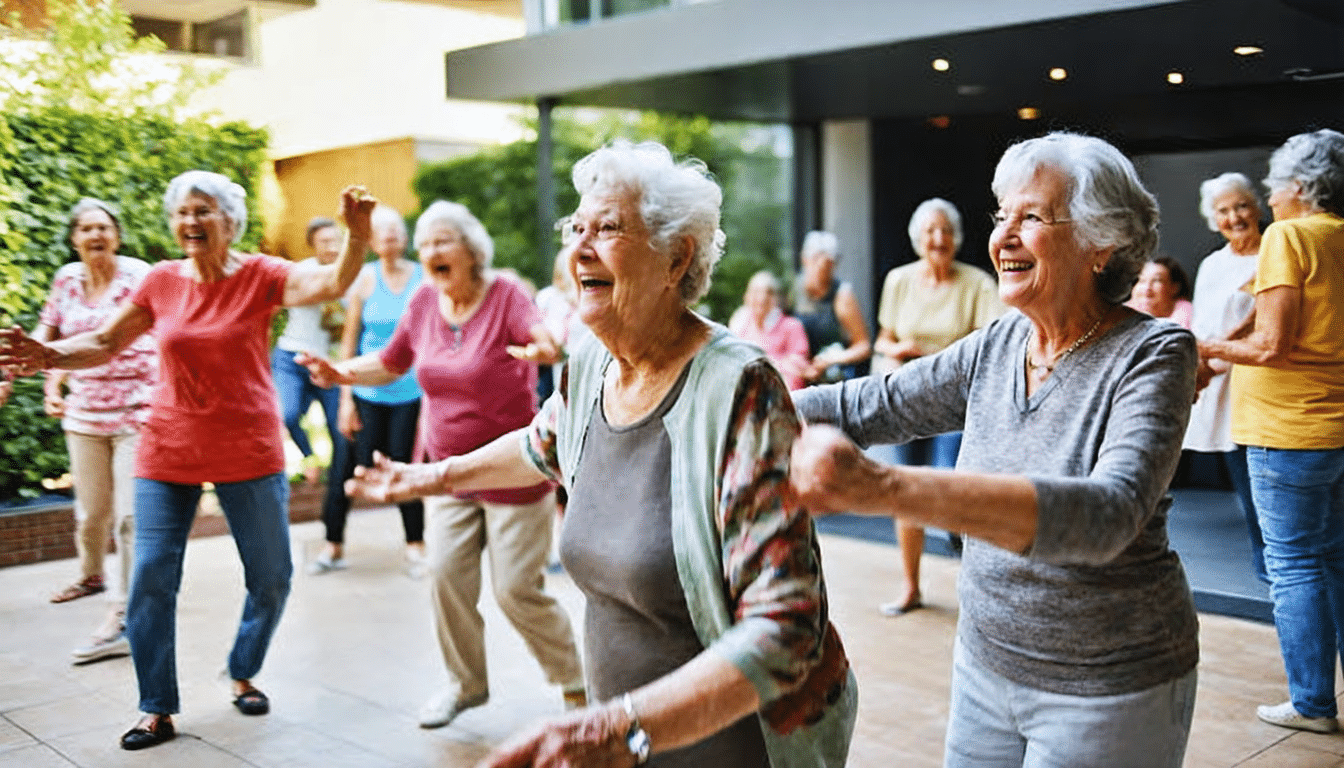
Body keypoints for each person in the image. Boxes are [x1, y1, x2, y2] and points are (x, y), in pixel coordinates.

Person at [346, 140, 856, 768]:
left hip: (723, 745)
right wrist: (429, 476)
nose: (580, 247)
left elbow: (786, 629)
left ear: (676, 258)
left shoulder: (740, 388)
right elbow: (542, 446)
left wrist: (616, 728)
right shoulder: (590, 364)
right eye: (576, 227)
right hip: (622, 743)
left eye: (608, 227)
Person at [789, 132, 1199, 768]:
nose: (1003, 236)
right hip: (984, 661)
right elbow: (873, 404)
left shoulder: (1154, 353)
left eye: (1030, 217)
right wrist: (735, 399)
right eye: (1000, 215)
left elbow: (1110, 514)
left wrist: (884, 489)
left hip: (1109, 684)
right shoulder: (1001, 342)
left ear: (1101, 242)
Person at [0, 171, 374, 751]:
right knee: (151, 572)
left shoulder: (260, 274)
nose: (190, 222)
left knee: (272, 576)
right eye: (182, 212)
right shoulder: (160, 281)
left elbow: (328, 283)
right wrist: (47, 355)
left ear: (230, 219)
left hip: (247, 444)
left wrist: (356, 236)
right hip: (167, 443)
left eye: (204, 211)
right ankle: (156, 706)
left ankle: (243, 669)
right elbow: (102, 342)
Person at [299, 199, 585, 729]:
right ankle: (466, 685)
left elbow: (540, 337)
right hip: (444, 470)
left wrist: (544, 348)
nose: (430, 251)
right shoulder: (424, 301)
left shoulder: (505, 294)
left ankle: (575, 683)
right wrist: (338, 373)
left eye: (442, 241)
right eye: (425, 243)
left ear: (472, 250)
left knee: (515, 590)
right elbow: (390, 362)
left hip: (512, 468)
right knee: (447, 578)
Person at [1197, 129, 1344, 735]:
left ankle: (1312, 703)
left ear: (1300, 188)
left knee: (1294, 565)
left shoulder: (1289, 236)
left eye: (1275, 186)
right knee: (1333, 559)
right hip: (1334, 424)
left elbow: (1273, 342)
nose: (1269, 197)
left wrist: (1200, 347)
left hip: (1288, 429)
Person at [34, 198, 157, 666]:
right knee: (91, 514)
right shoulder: (66, 279)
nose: (95, 235)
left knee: (128, 518)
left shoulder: (138, 275)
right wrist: (51, 383)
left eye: (103, 226)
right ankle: (91, 575)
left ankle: (121, 613)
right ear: (74, 238)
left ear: (117, 235)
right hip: (85, 413)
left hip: (137, 411)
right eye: (85, 228)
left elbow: (163, 330)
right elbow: (50, 333)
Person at [870, 197, 1003, 617]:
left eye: (945, 230)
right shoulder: (899, 281)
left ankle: (978, 586)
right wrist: (898, 348)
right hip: (906, 395)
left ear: (956, 237)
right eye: (930, 230)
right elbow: (881, 339)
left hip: (955, 399)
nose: (938, 238)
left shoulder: (977, 283)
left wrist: (943, 358)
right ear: (917, 238)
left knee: (953, 484)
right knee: (904, 490)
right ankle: (911, 587)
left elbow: (993, 342)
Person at [311, 204, 426, 575]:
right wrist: (345, 399)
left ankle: (415, 545)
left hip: (409, 393)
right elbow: (349, 341)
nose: (390, 236)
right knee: (345, 468)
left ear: (405, 238)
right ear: (373, 241)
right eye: (382, 231)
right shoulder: (363, 279)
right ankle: (332, 546)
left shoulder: (425, 278)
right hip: (365, 391)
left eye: (396, 230)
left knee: (405, 469)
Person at [1183, 172, 1265, 583]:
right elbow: (1200, 322)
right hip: (1220, 378)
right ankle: (1264, 556)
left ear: (1257, 207)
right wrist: (1201, 362)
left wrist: (1218, 351)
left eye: (1241, 205)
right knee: (1243, 475)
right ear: (1212, 219)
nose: (1234, 216)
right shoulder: (1212, 264)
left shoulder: (1274, 252)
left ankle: (1278, 559)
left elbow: (1264, 318)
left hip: (1258, 375)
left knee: (1264, 473)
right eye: (1223, 210)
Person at [271, 217, 354, 563]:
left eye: (336, 240)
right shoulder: (300, 272)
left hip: (328, 363)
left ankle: (333, 516)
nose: (331, 247)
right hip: (292, 356)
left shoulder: (350, 275)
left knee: (342, 435)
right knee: (287, 414)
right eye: (324, 241)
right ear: (313, 244)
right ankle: (308, 457)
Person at [791, 230, 871, 384]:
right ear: (804, 259)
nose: (820, 267)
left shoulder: (842, 296)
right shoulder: (794, 290)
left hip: (833, 374)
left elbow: (864, 347)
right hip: (799, 370)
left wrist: (830, 360)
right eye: (815, 259)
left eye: (827, 264)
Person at [728, 270, 810, 390]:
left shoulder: (792, 326)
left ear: (775, 298)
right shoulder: (740, 324)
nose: (762, 298)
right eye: (756, 292)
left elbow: (798, 366)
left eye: (768, 292)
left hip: (779, 391)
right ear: (746, 297)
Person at [1126, 256, 1193, 328]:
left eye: (1157, 280)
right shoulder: (1122, 312)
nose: (1147, 287)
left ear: (1175, 288)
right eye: (1142, 280)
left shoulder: (1188, 315)